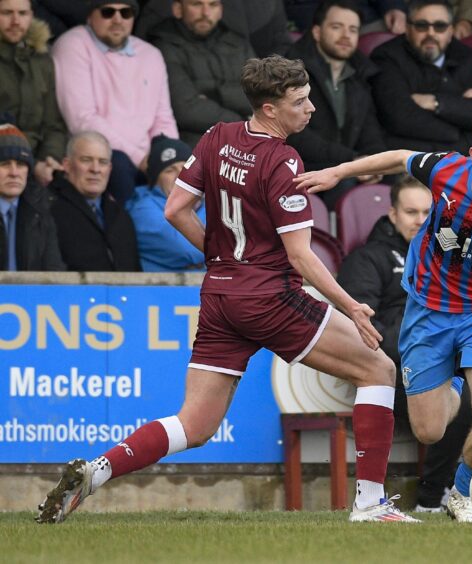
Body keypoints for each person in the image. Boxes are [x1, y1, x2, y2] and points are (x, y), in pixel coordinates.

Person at [36, 55, 418, 525]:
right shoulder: (283, 160)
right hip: (270, 297)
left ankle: (98, 470)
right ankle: (370, 505)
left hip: (220, 296)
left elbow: (175, 209)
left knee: (194, 424)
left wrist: (221, 259)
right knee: (378, 368)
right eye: (300, 101)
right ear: (270, 109)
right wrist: (352, 306)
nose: (311, 109)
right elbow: (300, 256)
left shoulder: (217, 137)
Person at [296, 105, 472, 522]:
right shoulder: (447, 171)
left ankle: (461, 493)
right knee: (430, 431)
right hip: (428, 309)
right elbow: (396, 157)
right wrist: (339, 172)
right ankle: (454, 381)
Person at [336, 173, 472, 512]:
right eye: (410, 212)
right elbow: (362, 325)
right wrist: (423, 351)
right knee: (451, 417)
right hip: (395, 367)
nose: (420, 220)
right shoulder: (369, 259)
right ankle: (432, 497)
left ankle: (465, 489)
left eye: (425, 212)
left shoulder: (460, 260)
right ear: (393, 215)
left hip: (455, 360)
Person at [51, 0, 178, 203]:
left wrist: (169, 157)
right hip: (103, 152)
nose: (117, 19)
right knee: (117, 163)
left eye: (126, 13)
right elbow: (83, 120)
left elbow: (163, 117)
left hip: (147, 157)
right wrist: (141, 158)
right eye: (108, 12)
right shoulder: (72, 44)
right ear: (90, 15)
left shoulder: (150, 54)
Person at [285, 0, 386, 209]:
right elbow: (295, 135)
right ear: (316, 32)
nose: (346, 35)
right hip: (300, 166)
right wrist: (354, 163)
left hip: (344, 165)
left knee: (396, 182)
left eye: (353, 29)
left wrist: (375, 164)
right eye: (336, 27)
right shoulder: (291, 69)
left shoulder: (361, 74)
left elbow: (370, 130)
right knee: (345, 184)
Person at [369, 0, 472, 154]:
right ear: (408, 29)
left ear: (450, 32)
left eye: (440, 26)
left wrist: (436, 103)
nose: (431, 33)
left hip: (463, 162)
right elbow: (400, 118)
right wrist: (461, 123)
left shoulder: (463, 56)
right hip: (413, 165)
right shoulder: (386, 57)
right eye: (422, 25)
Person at [147, 0, 255, 148]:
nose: (205, 13)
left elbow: (263, 94)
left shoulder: (238, 43)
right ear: (178, 9)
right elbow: (185, 109)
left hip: (248, 136)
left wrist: (217, 95)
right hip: (195, 140)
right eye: (196, 4)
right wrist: (241, 124)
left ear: (220, 10)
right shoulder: (164, 45)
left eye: (213, 5)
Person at [47, 131, 141, 272]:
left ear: (109, 169)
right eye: (86, 160)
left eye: (102, 162)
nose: (95, 169)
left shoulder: (121, 216)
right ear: (66, 164)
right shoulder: (47, 208)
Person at [0, 0, 67, 186]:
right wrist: (23, 160)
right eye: (6, 13)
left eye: (22, 14)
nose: (15, 21)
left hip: (37, 164)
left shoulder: (42, 60)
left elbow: (54, 125)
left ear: (31, 16)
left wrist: (49, 159)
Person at [126, 133, 206, 271]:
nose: (180, 176)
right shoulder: (143, 209)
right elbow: (188, 250)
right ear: (155, 181)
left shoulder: (211, 203)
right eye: (169, 171)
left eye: (185, 168)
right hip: (162, 290)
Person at [0, 121, 65, 270]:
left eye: (21, 165)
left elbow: (53, 271)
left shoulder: (41, 210)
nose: (14, 173)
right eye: (5, 164)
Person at [135, 0, 293, 57]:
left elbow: (282, 45)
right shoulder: (163, 7)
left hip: (258, 96)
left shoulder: (268, 5)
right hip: (192, 111)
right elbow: (142, 57)